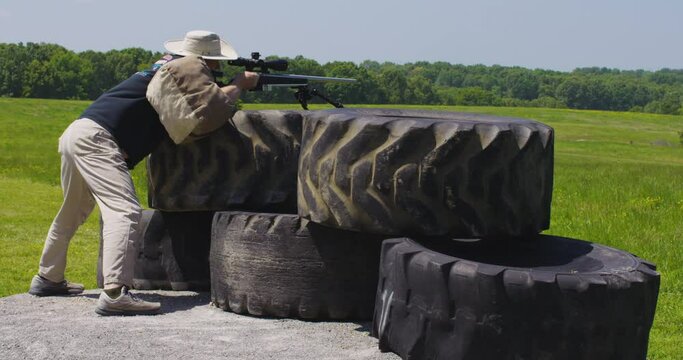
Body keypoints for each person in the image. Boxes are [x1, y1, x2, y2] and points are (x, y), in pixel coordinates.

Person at [28, 30, 259, 316]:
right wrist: (239, 85)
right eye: (216, 64)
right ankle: (115, 293)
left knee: (72, 210)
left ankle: (48, 277)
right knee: (125, 211)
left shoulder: (165, 67)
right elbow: (208, 109)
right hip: (100, 139)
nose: (217, 69)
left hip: (80, 132)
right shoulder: (186, 68)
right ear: (205, 60)